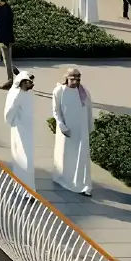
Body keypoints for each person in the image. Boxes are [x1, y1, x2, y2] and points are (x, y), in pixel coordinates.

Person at [51, 67, 94, 195]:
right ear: (66, 78)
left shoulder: (84, 91)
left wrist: (89, 127)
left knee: (81, 156)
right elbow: (56, 111)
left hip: (81, 130)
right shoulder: (59, 91)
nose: (75, 81)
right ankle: (63, 178)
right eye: (72, 78)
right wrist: (62, 126)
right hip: (66, 130)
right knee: (65, 155)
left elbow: (89, 110)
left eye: (78, 78)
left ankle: (83, 185)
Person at [4, 71, 37, 191]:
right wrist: (14, 123)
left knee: (27, 157)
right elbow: (9, 112)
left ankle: (27, 186)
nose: (31, 84)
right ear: (22, 82)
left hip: (27, 129)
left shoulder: (27, 93)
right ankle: (25, 189)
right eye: (28, 82)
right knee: (23, 157)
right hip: (20, 129)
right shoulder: (16, 94)